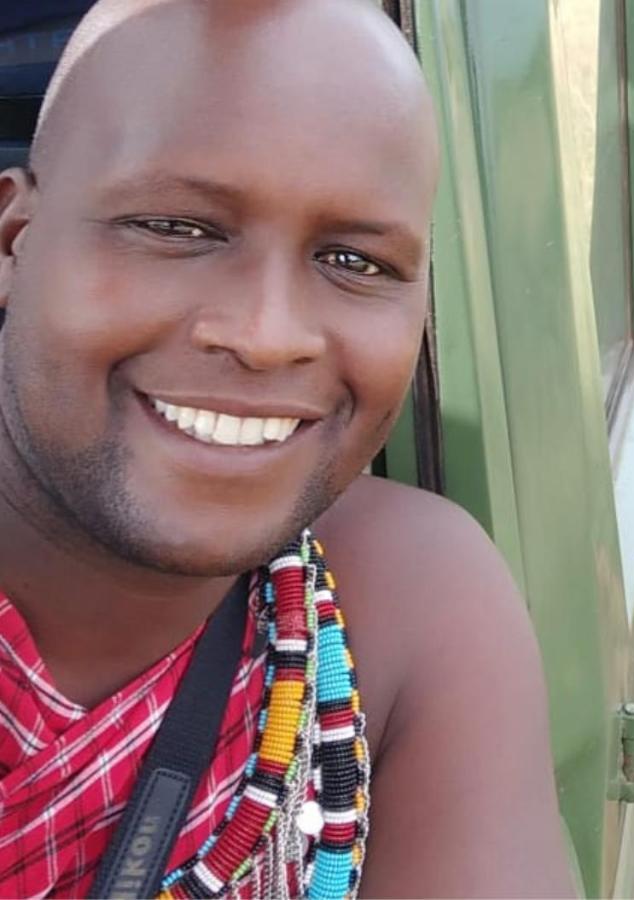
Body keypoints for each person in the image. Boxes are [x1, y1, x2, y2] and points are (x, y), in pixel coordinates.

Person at [0, 0, 573, 896]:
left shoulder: (414, 599)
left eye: (356, 262)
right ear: (14, 240)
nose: (268, 335)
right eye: (177, 228)